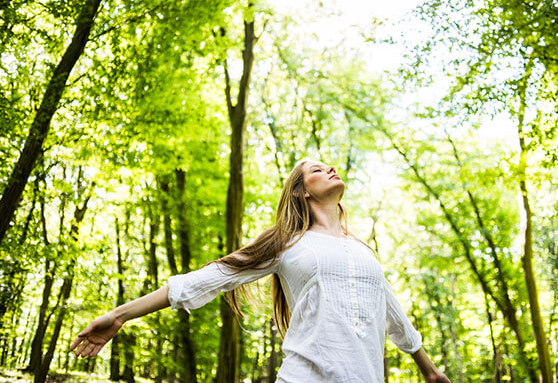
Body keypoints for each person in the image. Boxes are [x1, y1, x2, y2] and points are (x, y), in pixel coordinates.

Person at [70, 158, 451, 383]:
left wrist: (430, 372)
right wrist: (119, 316)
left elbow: (394, 316)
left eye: (329, 165)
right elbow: (209, 278)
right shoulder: (286, 242)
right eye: (317, 169)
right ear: (301, 191)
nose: (330, 168)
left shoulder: (363, 251)